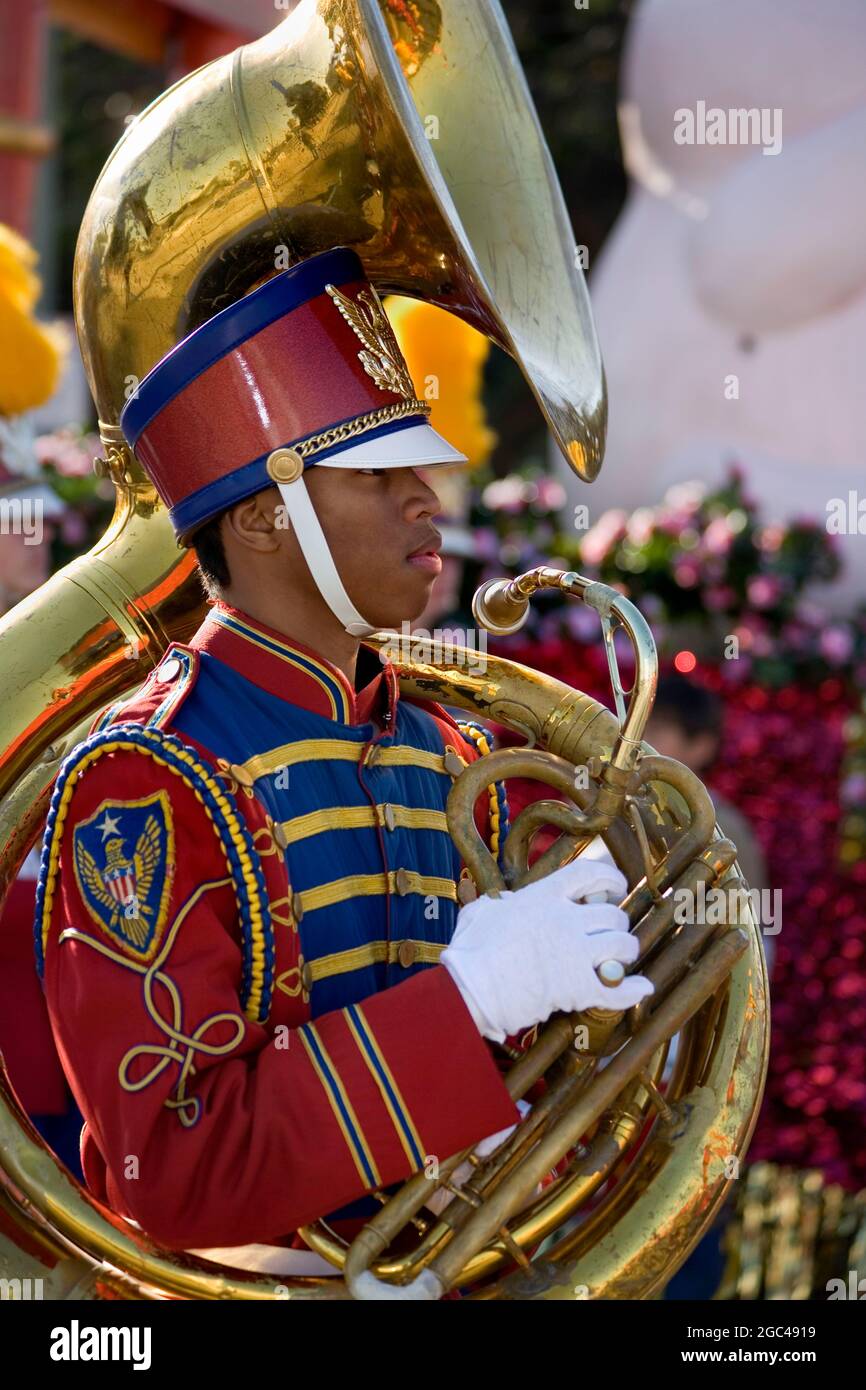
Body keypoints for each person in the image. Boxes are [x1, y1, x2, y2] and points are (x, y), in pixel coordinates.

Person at [35, 247, 652, 1281]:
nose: (428, 500)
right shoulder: (147, 776)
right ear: (262, 515)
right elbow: (172, 1166)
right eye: (380, 473)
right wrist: (470, 999)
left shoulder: (446, 746)